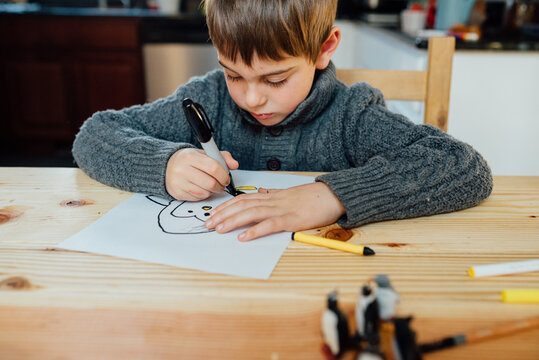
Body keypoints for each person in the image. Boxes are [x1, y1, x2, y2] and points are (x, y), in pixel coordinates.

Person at [72, 0, 493, 242]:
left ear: (324, 49)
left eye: (275, 78)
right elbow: (95, 135)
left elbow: (464, 167)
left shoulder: (353, 115)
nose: (251, 97)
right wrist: (164, 164)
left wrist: (333, 196)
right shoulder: (208, 97)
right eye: (234, 74)